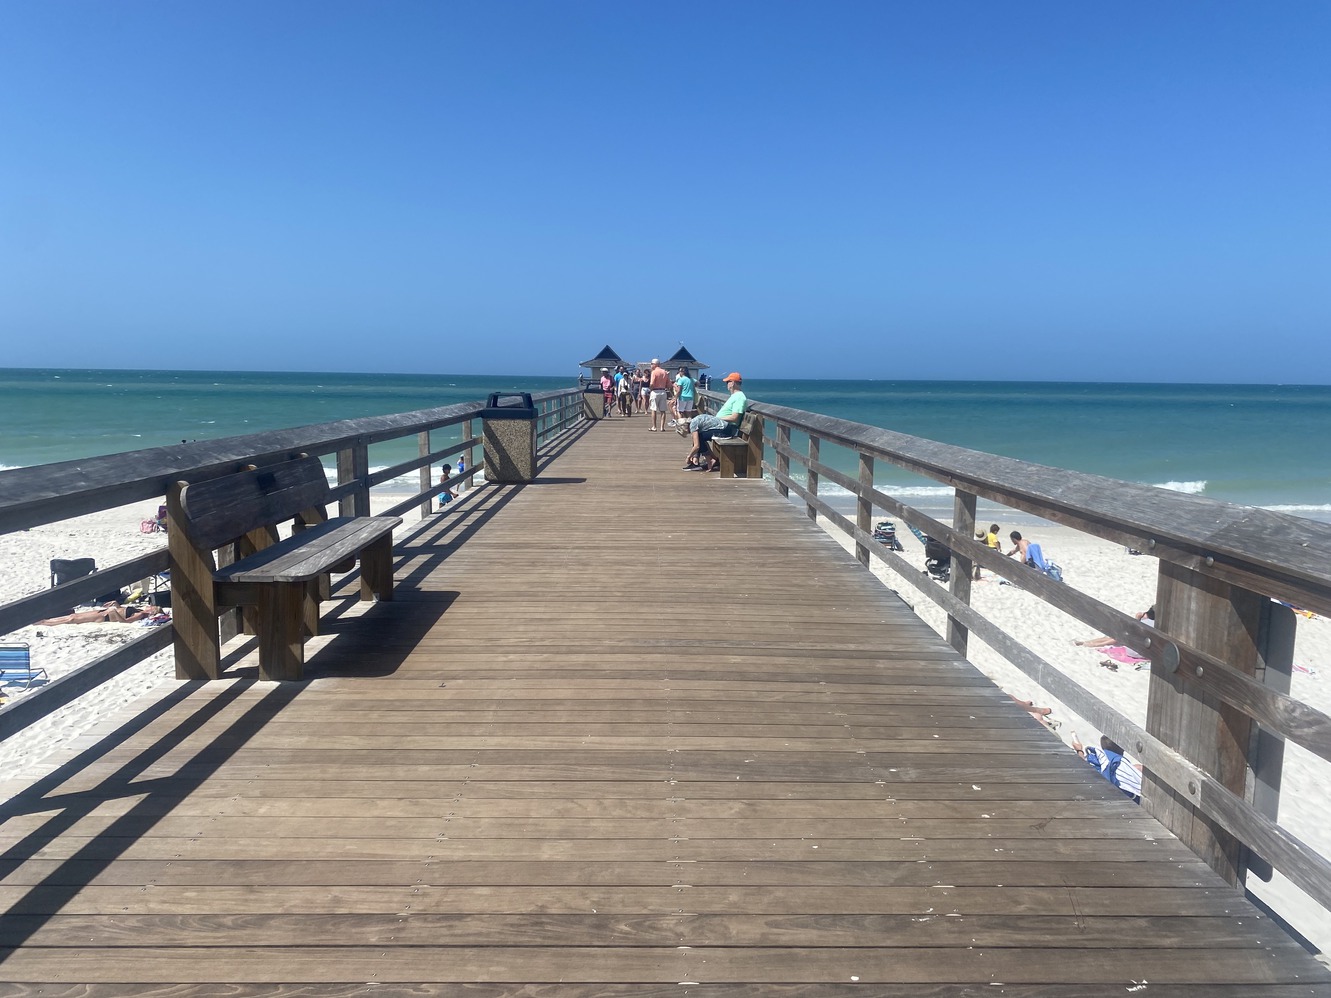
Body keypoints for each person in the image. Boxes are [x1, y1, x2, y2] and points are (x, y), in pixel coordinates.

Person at [683, 372, 746, 471]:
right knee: (698, 434)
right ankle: (709, 460)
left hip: (727, 429)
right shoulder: (735, 396)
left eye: (728, 382)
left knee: (698, 436)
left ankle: (709, 460)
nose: (727, 385)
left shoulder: (739, 397)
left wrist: (717, 419)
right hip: (723, 426)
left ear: (733, 383)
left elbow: (735, 418)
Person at [1072, 732, 1143, 803]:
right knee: (1139, 768)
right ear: (1121, 749)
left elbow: (1082, 765)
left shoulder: (1095, 758)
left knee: (1136, 767)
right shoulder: (1119, 763)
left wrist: (1079, 750)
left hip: (1095, 795)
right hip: (1123, 802)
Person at [39, 601, 159, 626]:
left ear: (151, 611)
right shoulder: (139, 610)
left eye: (151, 607)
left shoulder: (141, 615)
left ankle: (43, 622)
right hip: (104, 612)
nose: (149, 606)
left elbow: (125, 621)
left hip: (104, 617)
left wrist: (114, 612)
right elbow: (123, 610)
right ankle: (44, 620)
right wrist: (116, 605)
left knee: (72, 619)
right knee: (73, 616)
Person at [647, 358, 672, 431]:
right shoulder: (664, 372)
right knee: (663, 410)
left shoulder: (654, 372)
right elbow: (669, 385)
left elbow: (652, 383)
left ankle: (654, 427)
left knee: (653, 409)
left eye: (651, 364)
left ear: (655, 364)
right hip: (663, 392)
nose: (651, 365)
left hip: (655, 391)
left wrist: (650, 390)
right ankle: (662, 427)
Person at [672, 366, 695, 434]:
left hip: (682, 397)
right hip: (690, 397)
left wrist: (675, 397)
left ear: (682, 372)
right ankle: (690, 428)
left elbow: (679, 391)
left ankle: (681, 427)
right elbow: (698, 383)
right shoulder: (691, 379)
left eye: (680, 371)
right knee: (688, 413)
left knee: (680, 412)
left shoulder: (681, 380)